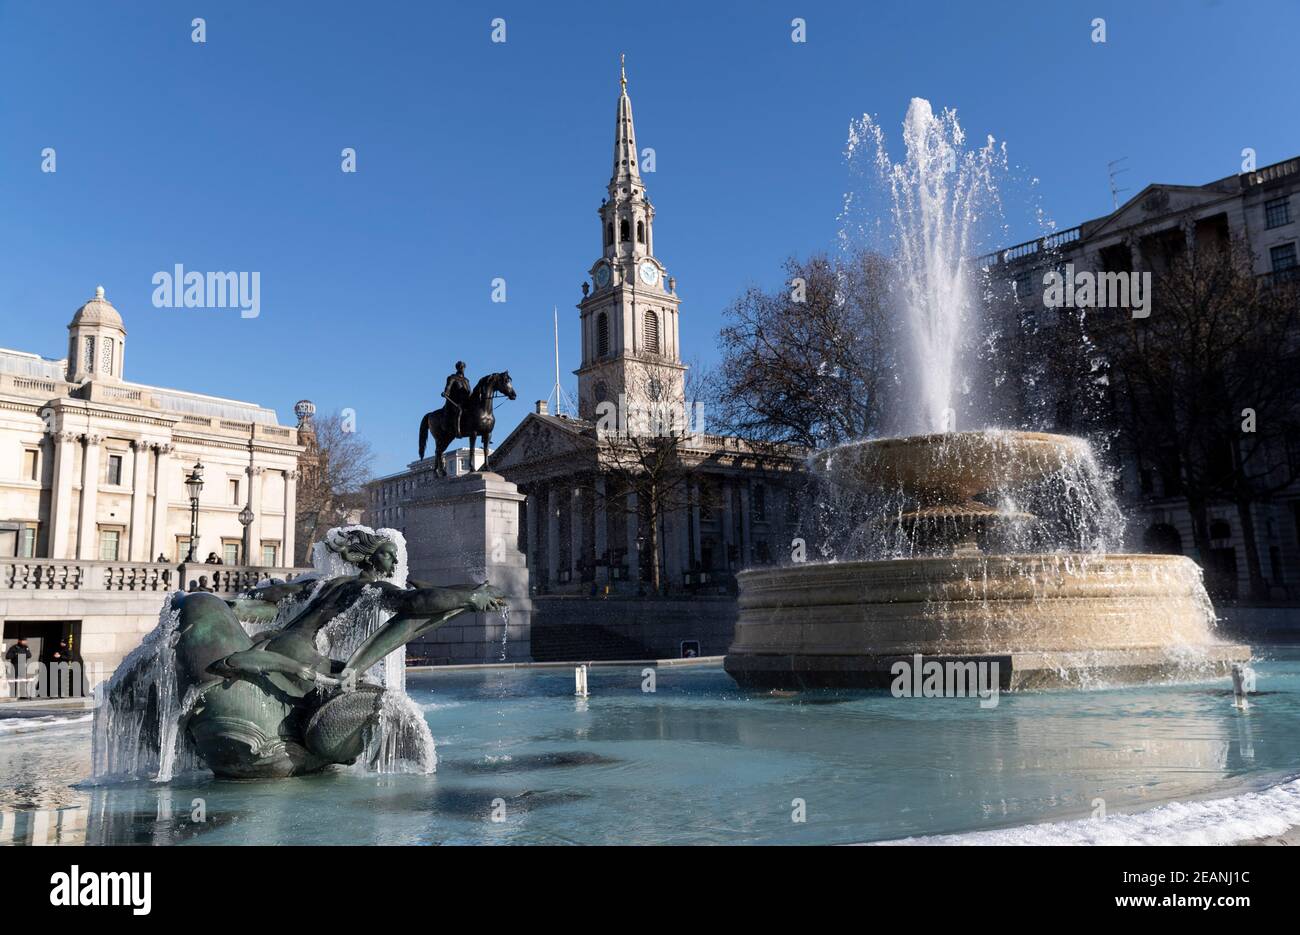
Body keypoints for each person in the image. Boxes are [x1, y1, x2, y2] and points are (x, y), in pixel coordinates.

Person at [441, 361, 471, 436]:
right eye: (460, 367)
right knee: (459, 410)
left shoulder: (466, 380)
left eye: (463, 367)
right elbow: (447, 390)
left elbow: (469, 392)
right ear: (457, 368)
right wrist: (446, 393)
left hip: (466, 402)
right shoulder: (452, 378)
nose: (462, 368)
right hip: (455, 403)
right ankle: (457, 431)